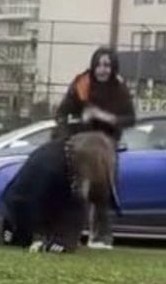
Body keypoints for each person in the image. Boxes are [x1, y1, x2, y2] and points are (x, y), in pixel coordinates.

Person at [53, 46, 137, 249]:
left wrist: (104, 117)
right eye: (98, 65)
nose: (102, 70)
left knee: (102, 188)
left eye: (107, 65)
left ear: (113, 67)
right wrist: (68, 132)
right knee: (73, 188)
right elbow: (61, 113)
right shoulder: (81, 83)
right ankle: (66, 231)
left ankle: (100, 235)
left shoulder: (119, 89)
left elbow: (130, 119)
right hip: (79, 139)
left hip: (106, 142)